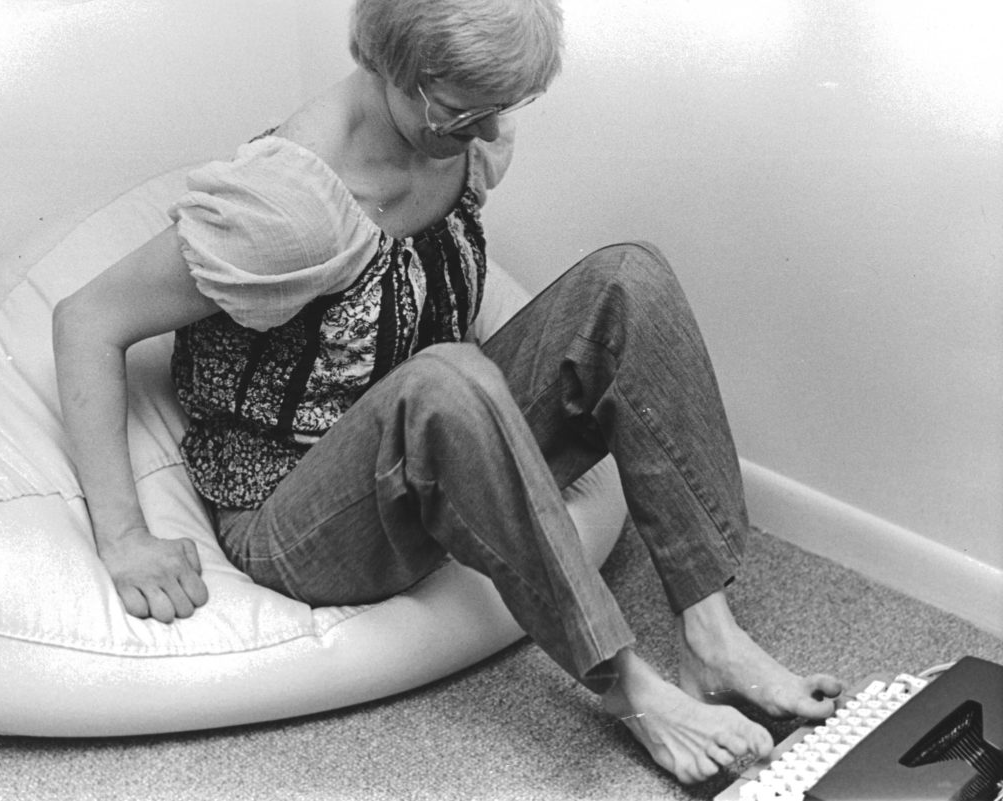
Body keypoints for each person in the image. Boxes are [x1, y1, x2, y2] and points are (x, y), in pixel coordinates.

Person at [53, 0, 842, 785]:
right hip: (298, 513)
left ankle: (712, 636)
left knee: (628, 280)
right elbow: (86, 320)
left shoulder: (456, 134)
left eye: (504, 110)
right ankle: (630, 687)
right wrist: (123, 538)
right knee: (447, 374)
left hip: (436, 448)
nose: (493, 135)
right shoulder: (288, 210)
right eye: (469, 113)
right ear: (397, 70)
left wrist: (467, 124)